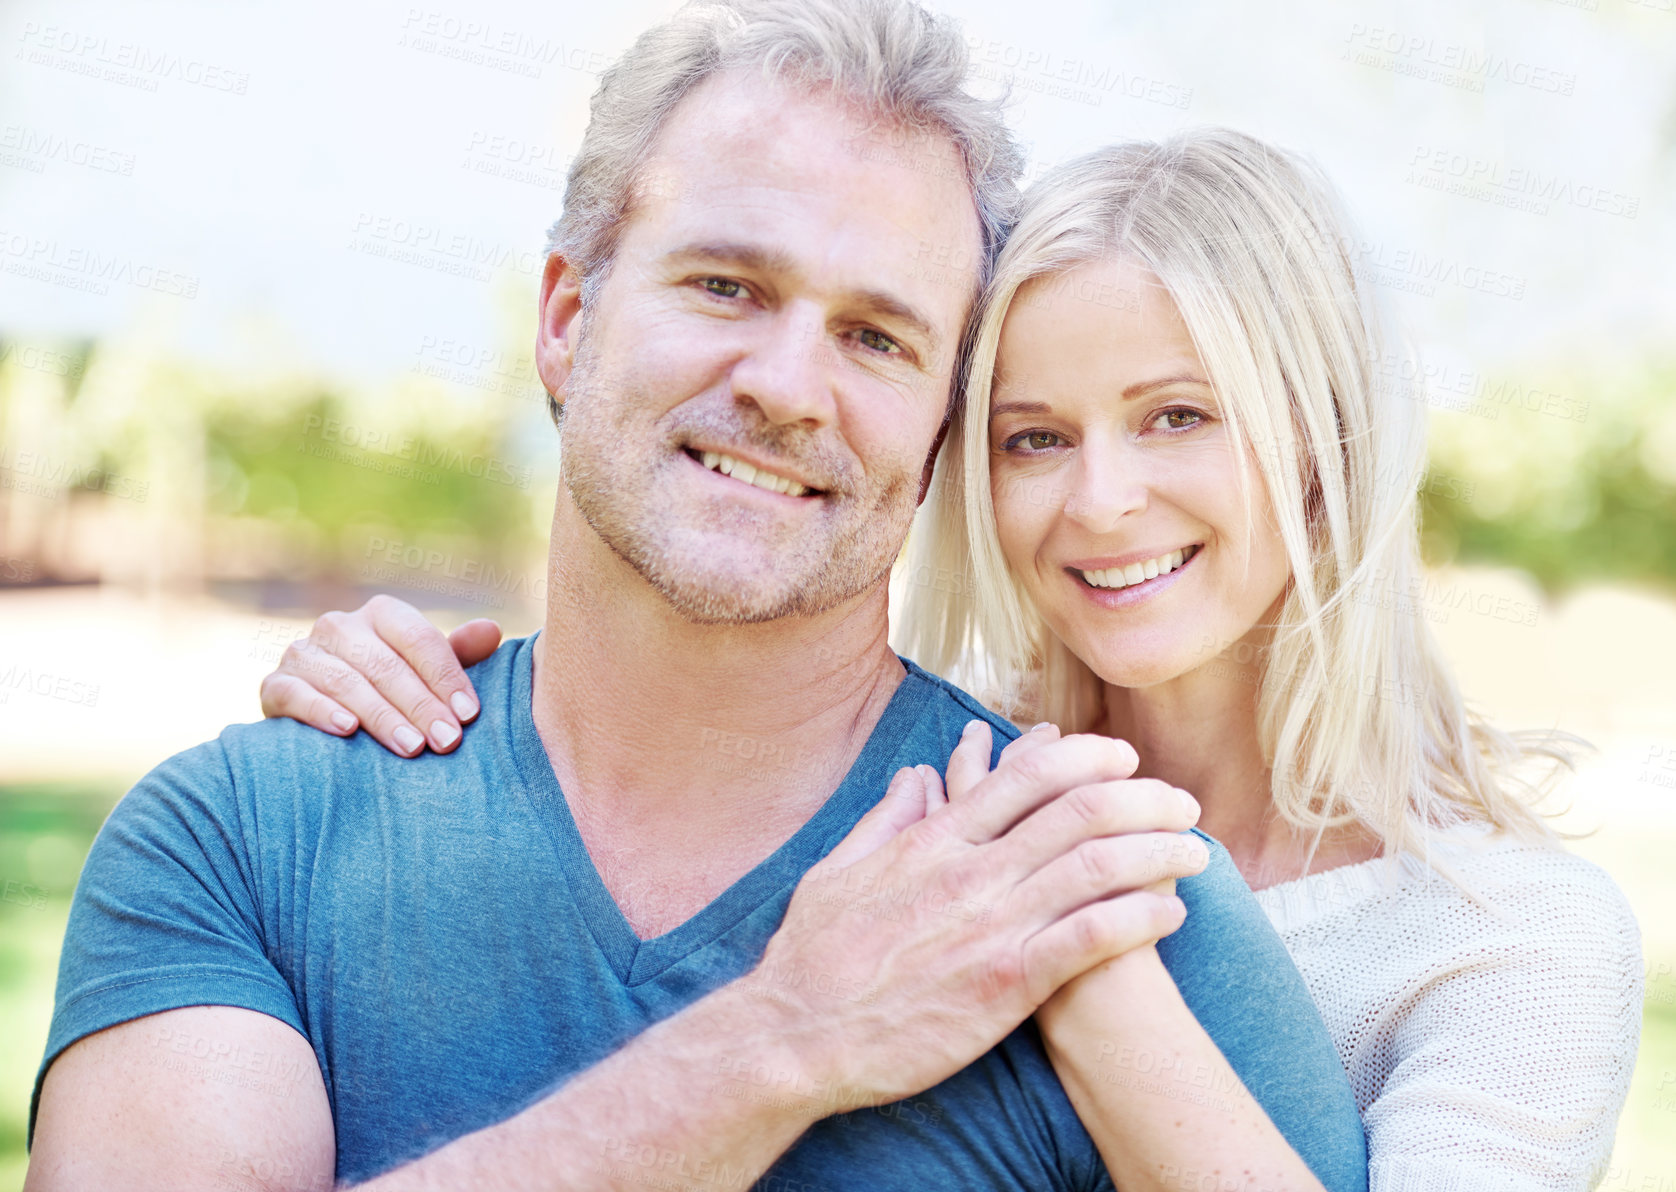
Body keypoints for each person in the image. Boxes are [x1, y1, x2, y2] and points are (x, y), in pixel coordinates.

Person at [25, 3, 1369, 1190]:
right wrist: (778, 1040)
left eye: (876, 337)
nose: (786, 386)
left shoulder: (1103, 907)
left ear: (940, 427)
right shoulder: (245, 843)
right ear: (566, 318)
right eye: (727, 284)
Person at [272, 127, 1645, 1188]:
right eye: (1034, 437)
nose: (1100, 501)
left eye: (1176, 418)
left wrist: (1069, 955)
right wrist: (424, 704)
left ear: (1325, 447)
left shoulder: (1507, 941)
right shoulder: (903, 799)